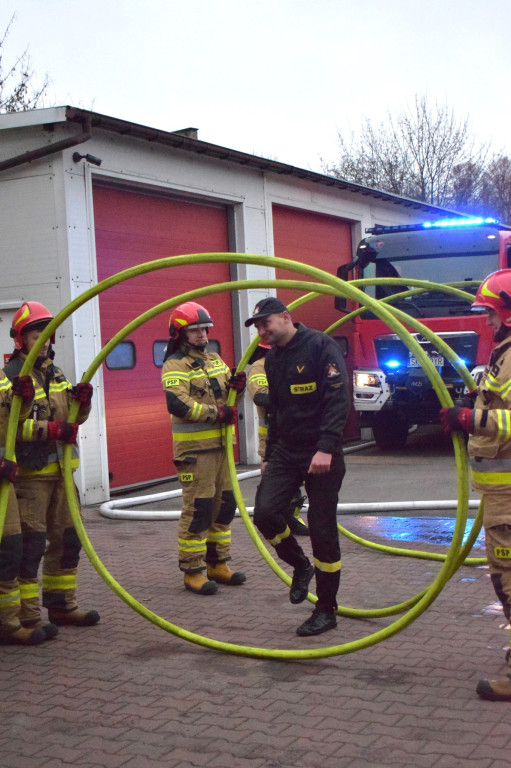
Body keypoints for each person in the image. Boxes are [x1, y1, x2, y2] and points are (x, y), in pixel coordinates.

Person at [245, 297, 350, 636]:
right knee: (264, 513)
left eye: (266, 323)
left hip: (321, 454)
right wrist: (268, 453)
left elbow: (338, 398)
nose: (262, 331)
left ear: (286, 317)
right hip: (286, 452)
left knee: (321, 528)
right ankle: (300, 566)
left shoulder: (321, 346)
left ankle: (326, 608)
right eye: (258, 326)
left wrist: (326, 448)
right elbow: (275, 411)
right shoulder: (272, 360)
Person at [4, 301, 100, 630]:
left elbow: (70, 420)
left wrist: (82, 405)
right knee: (31, 548)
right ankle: (28, 616)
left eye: (47, 334)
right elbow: (11, 430)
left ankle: (61, 606)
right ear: (20, 340)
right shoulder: (10, 379)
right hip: (31, 480)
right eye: (35, 334)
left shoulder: (55, 373)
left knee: (67, 541)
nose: (43, 341)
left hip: (62, 476)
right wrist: (54, 430)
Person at [439, 269, 511, 701]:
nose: (486, 321)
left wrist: (470, 419)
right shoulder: (505, 352)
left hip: (508, 495)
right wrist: (474, 402)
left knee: (509, 579)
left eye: (491, 313)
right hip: (499, 491)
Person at [161, 301, 247, 595]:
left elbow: (228, 397)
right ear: (180, 334)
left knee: (224, 507)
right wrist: (215, 414)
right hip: (195, 452)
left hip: (221, 447)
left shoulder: (215, 359)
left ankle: (217, 564)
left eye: (204, 328)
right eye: (194, 330)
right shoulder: (174, 365)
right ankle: (193, 570)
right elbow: (178, 403)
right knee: (199, 509)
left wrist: (239, 386)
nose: (201, 334)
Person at [0, 370, 57, 644]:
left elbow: (10, 423)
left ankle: (9, 624)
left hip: (4, 477)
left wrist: (22, 402)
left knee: (10, 549)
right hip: (15, 473)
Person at [247, 342, 310, 536]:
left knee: (297, 482)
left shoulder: (290, 362)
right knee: (275, 483)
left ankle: (291, 517)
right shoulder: (259, 366)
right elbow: (260, 396)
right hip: (272, 440)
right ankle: (274, 518)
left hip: (297, 434)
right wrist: (290, 398)